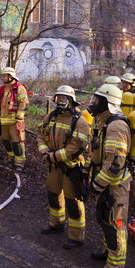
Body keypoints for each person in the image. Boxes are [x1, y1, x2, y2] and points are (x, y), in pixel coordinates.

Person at [36, 85, 90, 250]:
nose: (60, 101)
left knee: (73, 201)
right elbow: (40, 134)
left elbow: (76, 147)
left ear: (71, 100)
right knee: (53, 194)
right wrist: (45, 152)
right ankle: (56, 224)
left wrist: (53, 157)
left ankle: (76, 236)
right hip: (53, 166)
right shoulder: (51, 117)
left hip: (71, 168)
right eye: (58, 97)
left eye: (64, 98)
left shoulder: (79, 121)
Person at [87, 84, 131, 268]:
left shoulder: (116, 126)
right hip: (107, 184)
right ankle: (107, 251)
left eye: (97, 100)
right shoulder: (103, 122)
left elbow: (115, 164)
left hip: (115, 186)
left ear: (107, 103)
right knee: (106, 219)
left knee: (116, 224)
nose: (93, 103)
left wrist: (97, 186)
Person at [0, 67, 28, 172]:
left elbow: (24, 103)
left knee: (17, 141)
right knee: (6, 140)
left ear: (11, 76)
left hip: (15, 121)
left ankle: (19, 163)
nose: (3, 78)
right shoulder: (2, 88)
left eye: (4, 76)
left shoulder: (19, 87)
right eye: (2, 76)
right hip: (4, 120)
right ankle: (11, 158)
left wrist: (19, 117)